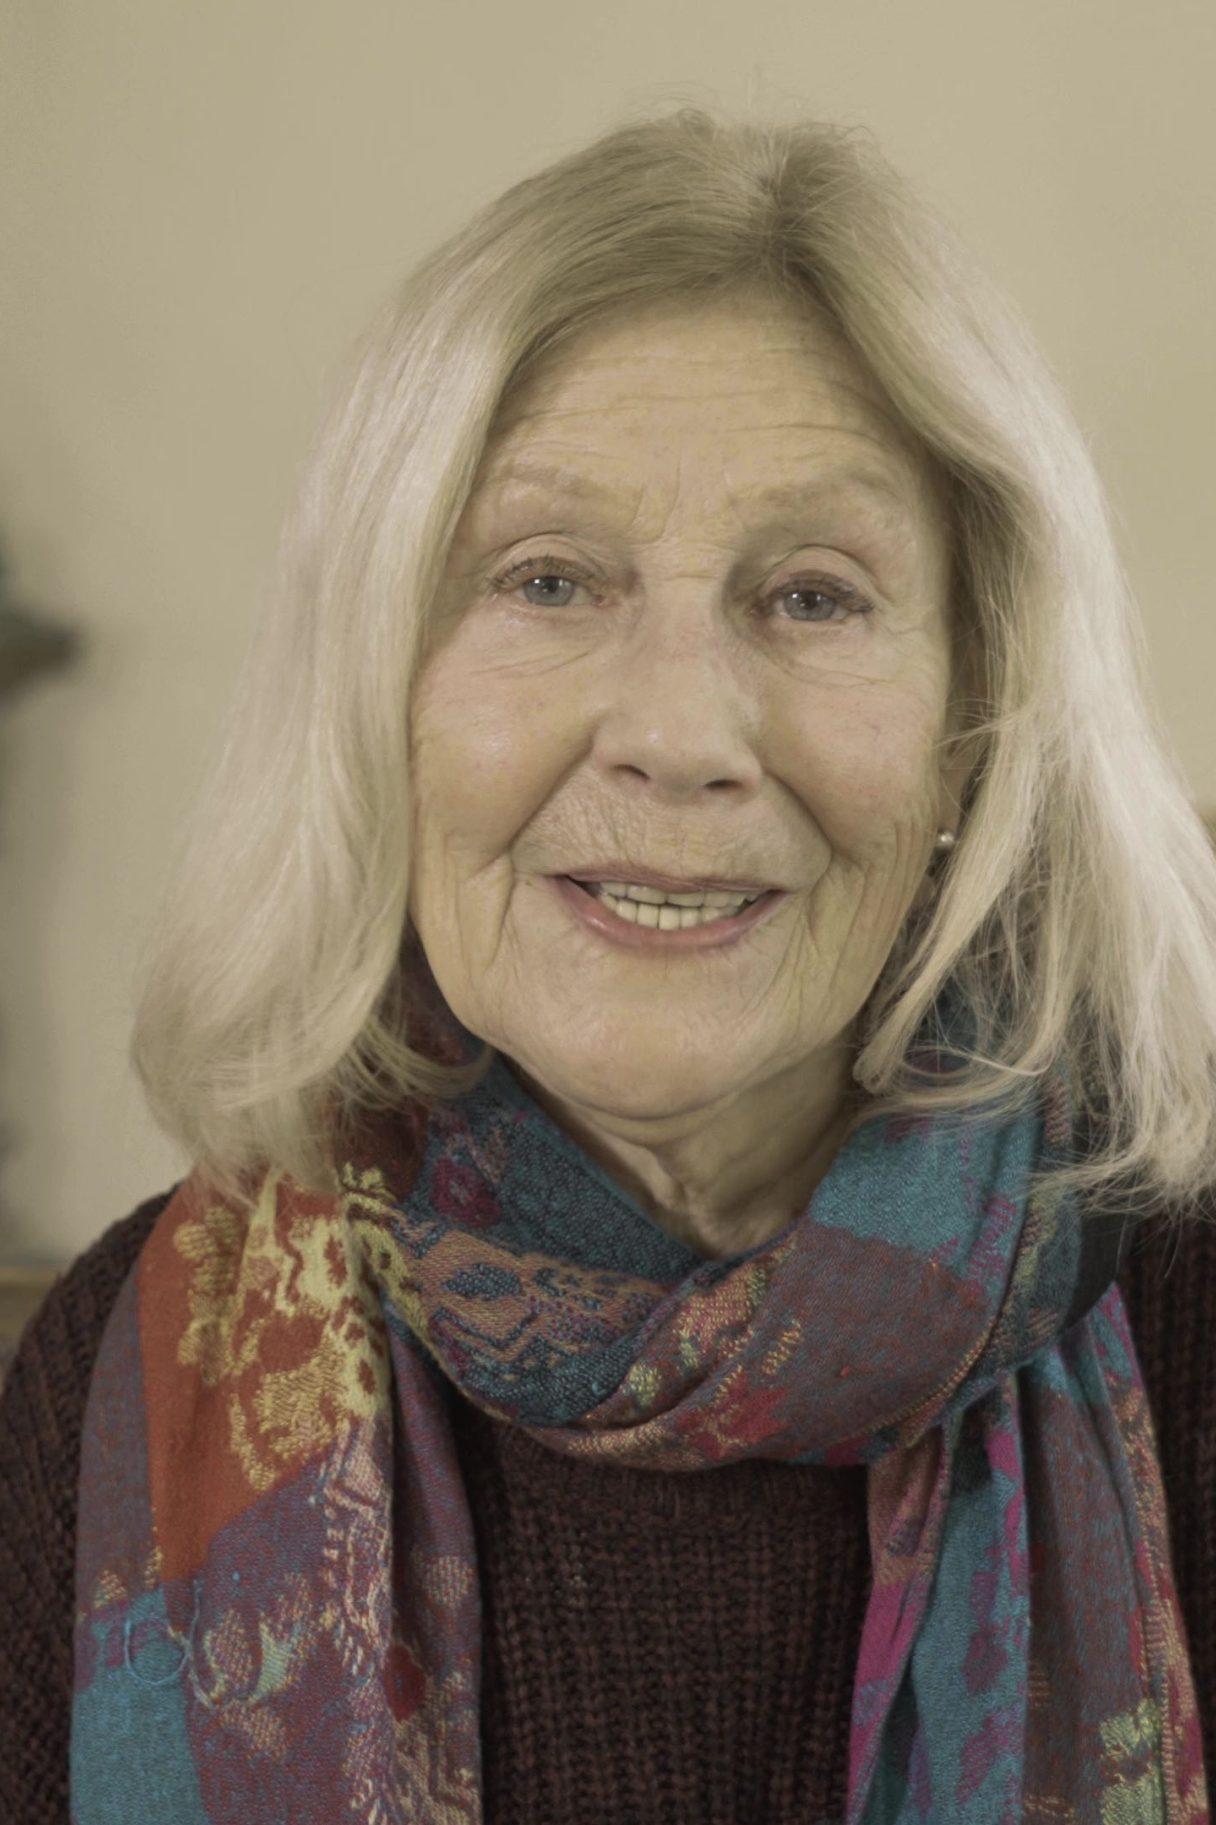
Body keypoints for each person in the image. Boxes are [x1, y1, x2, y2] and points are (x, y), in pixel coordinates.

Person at [3, 105, 1216, 1825]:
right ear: (378, 700)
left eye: (814, 595)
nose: (678, 732)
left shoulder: (1187, 1306)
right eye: (549, 579)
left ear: (978, 722)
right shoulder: (117, 1372)